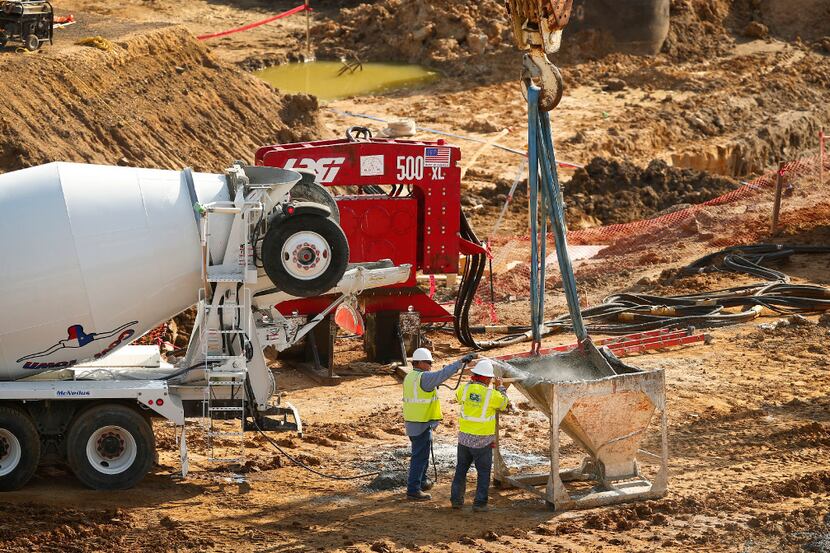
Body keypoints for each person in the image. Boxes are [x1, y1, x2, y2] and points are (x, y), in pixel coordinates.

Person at [402, 348, 476, 501]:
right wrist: (460, 362)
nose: (430, 365)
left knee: (422, 455)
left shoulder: (411, 377)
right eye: (428, 363)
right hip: (420, 423)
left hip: (415, 422)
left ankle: (421, 482)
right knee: (419, 457)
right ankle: (413, 490)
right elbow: (442, 374)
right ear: (420, 363)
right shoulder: (424, 378)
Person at [450, 358, 509, 512]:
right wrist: (501, 387)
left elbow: (458, 397)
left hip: (464, 439)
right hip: (482, 441)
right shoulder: (491, 394)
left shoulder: (465, 389)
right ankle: (479, 503)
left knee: (461, 470)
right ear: (487, 378)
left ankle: (456, 500)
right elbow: (503, 403)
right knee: (483, 473)